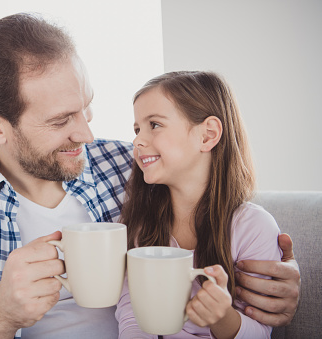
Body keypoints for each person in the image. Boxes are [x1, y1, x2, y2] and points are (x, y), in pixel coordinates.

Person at [0, 13, 300, 339]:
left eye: (85, 109)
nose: (87, 135)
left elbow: (220, 208)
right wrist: (1, 314)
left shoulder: (135, 169)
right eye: (61, 120)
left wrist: (277, 281)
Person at [115, 71, 291, 338]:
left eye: (155, 125)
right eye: (137, 129)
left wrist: (222, 317)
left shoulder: (253, 227)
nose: (137, 140)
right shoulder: (139, 224)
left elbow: (260, 332)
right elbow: (130, 314)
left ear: (208, 135)